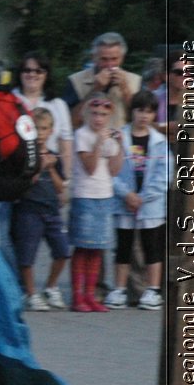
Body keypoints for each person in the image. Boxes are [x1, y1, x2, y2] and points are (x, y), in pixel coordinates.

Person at [110, 91, 168, 310]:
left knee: (151, 247)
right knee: (123, 247)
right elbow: (112, 170)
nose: (144, 116)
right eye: (140, 110)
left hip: (150, 204)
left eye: (149, 112)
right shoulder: (120, 136)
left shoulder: (159, 142)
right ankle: (119, 289)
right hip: (124, 201)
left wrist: (143, 197)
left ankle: (152, 290)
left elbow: (164, 174)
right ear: (132, 111)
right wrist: (127, 194)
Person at [67, 95, 122, 312]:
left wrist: (120, 144)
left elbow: (114, 170)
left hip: (104, 195)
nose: (99, 119)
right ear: (87, 114)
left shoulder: (109, 136)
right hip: (85, 195)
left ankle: (90, 295)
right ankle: (77, 296)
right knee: (82, 247)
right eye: (95, 114)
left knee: (98, 249)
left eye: (104, 115)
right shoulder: (81, 135)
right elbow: (89, 166)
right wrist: (99, 141)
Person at [12, 109, 71, 312]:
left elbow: (60, 187)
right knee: (27, 255)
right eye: (36, 128)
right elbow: (22, 184)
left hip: (51, 209)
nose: (40, 132)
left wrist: (51, 168)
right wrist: (38, 167)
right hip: (28, 209)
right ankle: (31, 293)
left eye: (44, 128)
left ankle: (51, 287)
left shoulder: (54, 156)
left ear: (51, 130)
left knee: (63, 250)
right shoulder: (23, 155)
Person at [11, 53, 73, 184]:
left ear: (46, 75)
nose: (32, 74)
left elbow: (65, 141)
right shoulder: (9, 100)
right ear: (20, 73)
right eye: (27, 70)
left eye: (39, 71)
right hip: (15, 173)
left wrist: (66, 178)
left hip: (50, 175)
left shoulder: (58, 104)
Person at [62, 31, 141, 129]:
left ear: (122, 58)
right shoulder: (75, 80)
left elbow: (143, 119)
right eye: (104, 59)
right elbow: (71, 121)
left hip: (122, 141)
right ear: (93, 58)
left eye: (114, 59)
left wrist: (125, 89)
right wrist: (96, 89)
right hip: (88, 141)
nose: (109, 65)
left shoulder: (136, 81)